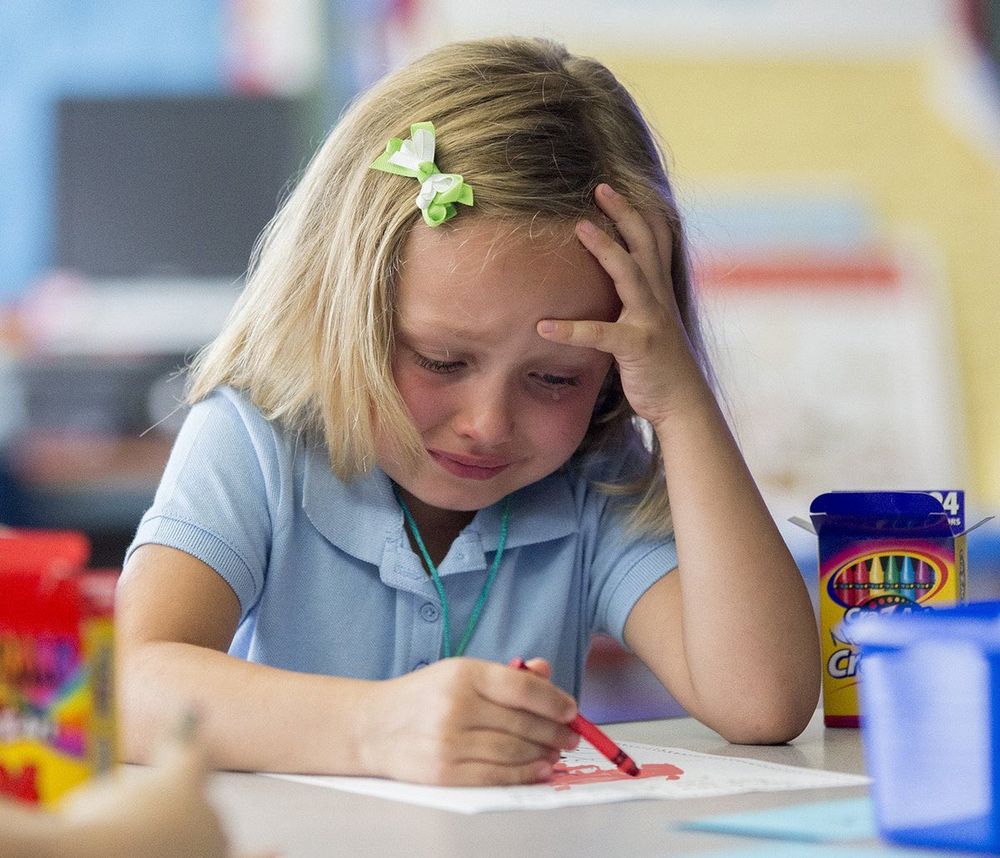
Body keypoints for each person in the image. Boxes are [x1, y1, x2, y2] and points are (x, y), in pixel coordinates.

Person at [116, 35, 820, 787]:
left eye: (554, 378)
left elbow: (763, 702)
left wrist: (682, 404)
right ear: (340, 310)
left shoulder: (595, 475)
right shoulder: (255, 440)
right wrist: (374, 730)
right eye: (441, 362)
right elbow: (124, 689)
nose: (488, 423)